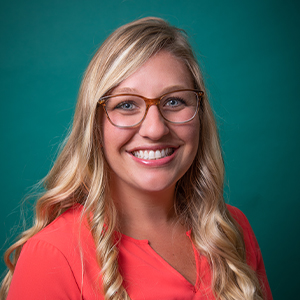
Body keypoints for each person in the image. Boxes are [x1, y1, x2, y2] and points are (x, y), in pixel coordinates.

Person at [0, 17, 272, 300]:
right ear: (95, 126)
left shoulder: (231, 229)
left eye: (174, 101)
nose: (154, 129)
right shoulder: (53, 255)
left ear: (200, 115)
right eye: (126, 105)